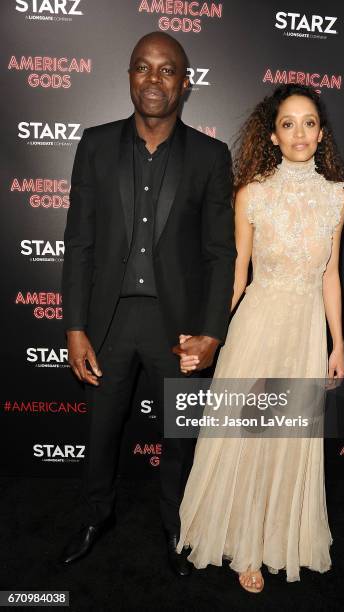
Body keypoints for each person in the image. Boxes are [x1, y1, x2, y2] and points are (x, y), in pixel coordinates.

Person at [60, 31, 236, 576]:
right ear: (129, 76)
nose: (153, 79)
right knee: (101, 431)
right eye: (142, 67)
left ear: (185, 83)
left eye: (166, 70)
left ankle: (176, 526)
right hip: (109, 322)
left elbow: (219, 252)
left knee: (178, 438)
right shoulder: (94, 144)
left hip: (177, 327)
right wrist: (75, 327)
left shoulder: (210, 156)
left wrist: (211, 332)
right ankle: (96, 516)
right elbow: (80, 242)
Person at [177, 84, 344, 592]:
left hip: (305, 333)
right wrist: (210, 333)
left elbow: (330, 275)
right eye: (289, 123)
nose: (300, 132)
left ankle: (278, 536)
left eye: (310, 122)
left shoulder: (336, 197)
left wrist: (337, 343)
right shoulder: (252, 192)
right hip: (257, 327)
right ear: (272, 136)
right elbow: (236, 276)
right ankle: (245, 546)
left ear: (321, 133)